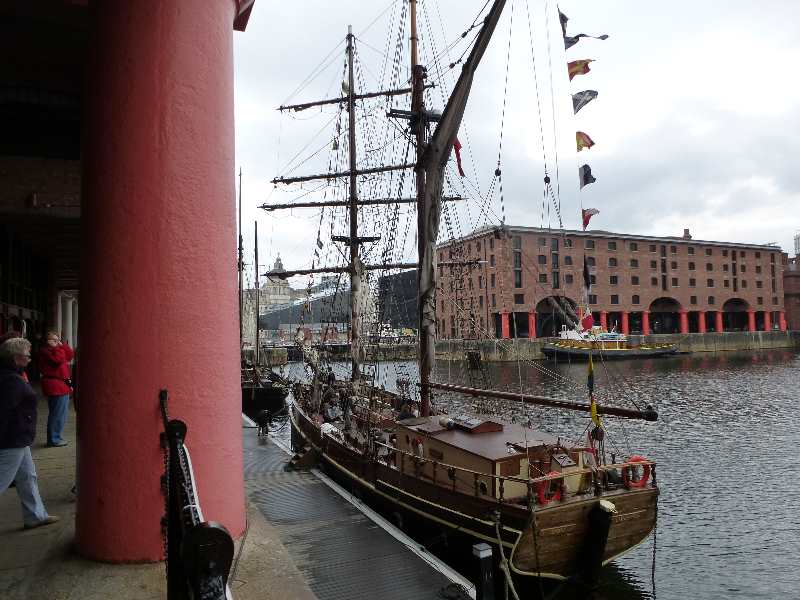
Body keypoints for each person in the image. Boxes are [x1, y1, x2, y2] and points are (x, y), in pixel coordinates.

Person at [0, 337, 60, 529]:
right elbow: (3, 412)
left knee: (27, 477)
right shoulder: (12, 381)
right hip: (12, 438)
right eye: (27, 355)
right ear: (16, 357)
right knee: (2, 479)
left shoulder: (10, 375)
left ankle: (35, 515)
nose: (29, 358)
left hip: (19, 437)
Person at [38, 331, 74, 447]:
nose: (56, 342)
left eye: (57, 339)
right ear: (46, 341)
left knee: (62, 414)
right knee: (57, 414)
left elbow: (70, 355)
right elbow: (58, 360)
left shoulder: (56, 349)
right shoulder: (45, 351)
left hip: (61, 384)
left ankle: (56, 436)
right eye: (52, 339)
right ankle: (54, 439)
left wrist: (62, 345)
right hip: (55, 385)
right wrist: (57, 347)